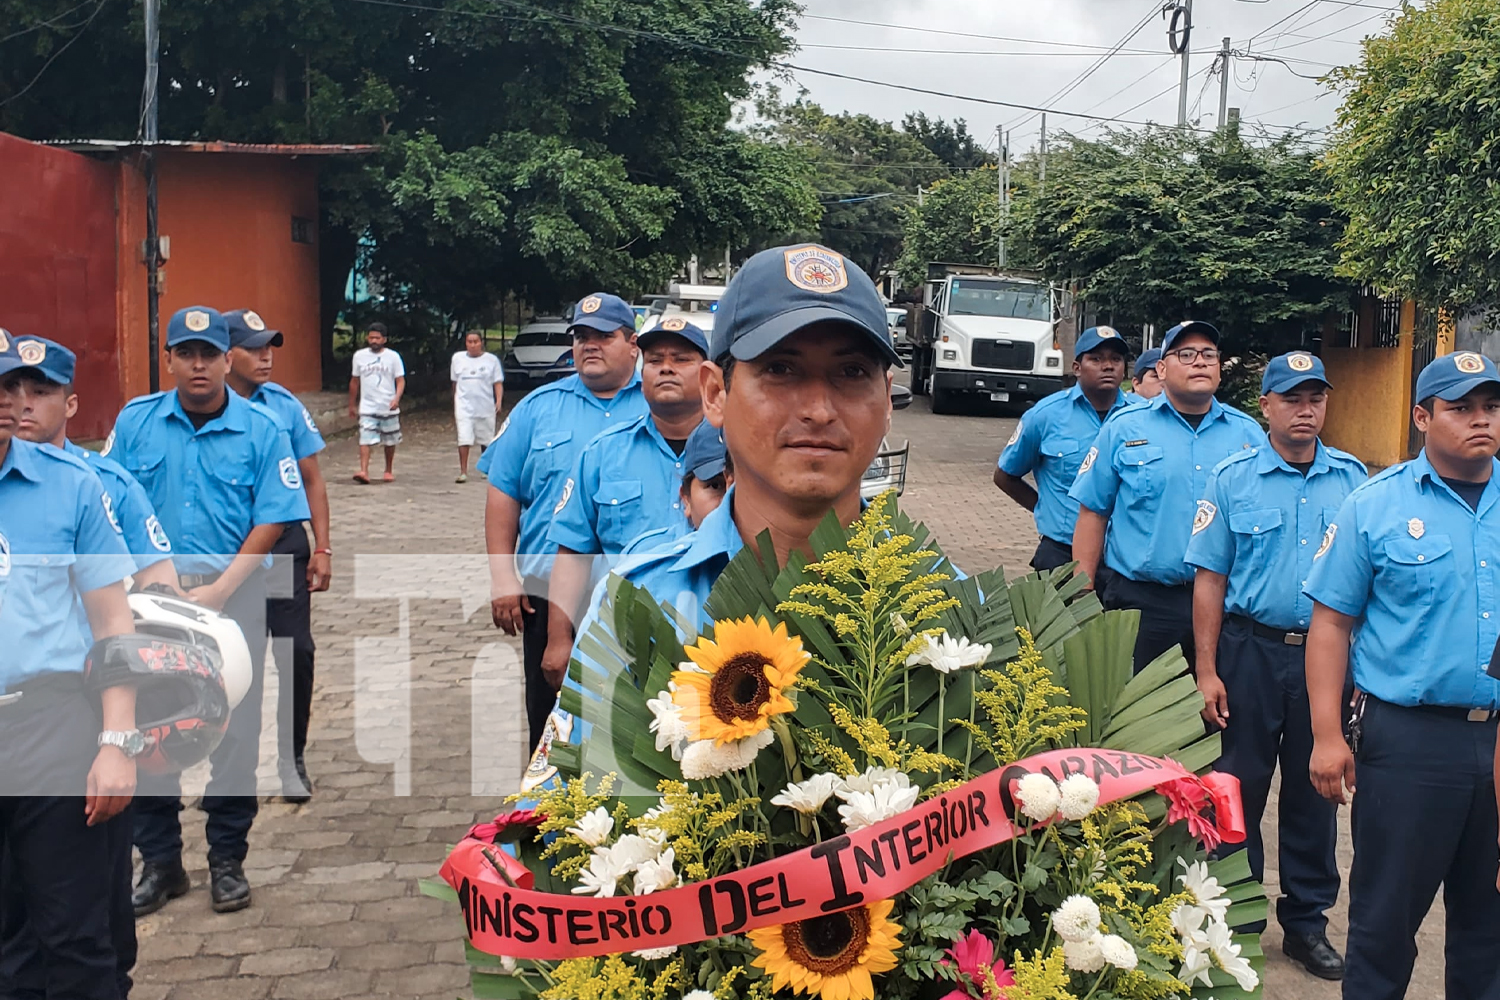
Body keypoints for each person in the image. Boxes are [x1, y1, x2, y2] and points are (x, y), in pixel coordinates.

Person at [522, 242, 901, 790]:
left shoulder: (954, 607)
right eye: (780, 369)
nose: (819, 409)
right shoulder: (634, 599)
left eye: (851, 371)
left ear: (887, 400)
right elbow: (557, 822)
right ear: (716, 394)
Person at [1304, 350, 1500, 1000]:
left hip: (1498, 744)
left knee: (1489, 928)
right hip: (1409, 744)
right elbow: (1330, 625)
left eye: (1492, 407)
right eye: (1461, 407)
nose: (1481, 420)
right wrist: (1327, 736)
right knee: (1386, 927)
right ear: (1422, 416)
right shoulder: (1375, 505)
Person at [107, 306, 309, 915]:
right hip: (152, 602)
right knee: (148, 727)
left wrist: (221, 589)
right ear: (168, 359)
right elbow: (108, 499)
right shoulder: (136, 422)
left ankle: (227, 858)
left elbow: (275, 515)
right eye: (185, 353)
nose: (198, 364)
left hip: (232, 597)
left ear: (227, 359)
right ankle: (161, 861)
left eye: (209, 353)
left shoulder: (262, 427)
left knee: (235, 729)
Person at [0, 335, 176, 999]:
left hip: (53, 720)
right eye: (9, 388)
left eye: (25, 389)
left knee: (75, 934)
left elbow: (122, 617)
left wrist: (119, 738)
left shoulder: (80, 488)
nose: (16, 404)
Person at [1183, 352, 1366, 981]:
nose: (1306, 409)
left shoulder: (1352, 480)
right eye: (1292, 398)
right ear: (1265, 405)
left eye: (1316, 397)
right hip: (1250, 653)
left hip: (1325, 658)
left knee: (1317, 791)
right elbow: (1209, 580)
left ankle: (1308, 925)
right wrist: (1207, 669)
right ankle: (1239, 919)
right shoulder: (1232, 478)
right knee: (1239, 787)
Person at [479, 293, 647, 752]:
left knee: (640, 731)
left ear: (632, 344)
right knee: (553, 730)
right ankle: (547, 819)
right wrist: (501, 578)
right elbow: (503, 494)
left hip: (637, 599)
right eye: (581, 337)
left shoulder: (660, 405)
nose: (589, 346)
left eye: (603, 337)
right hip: (546, 600)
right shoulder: (537, 407)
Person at [1069, 320, 1265, 672]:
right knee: (1139, 717)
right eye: (1186, 354)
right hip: (1144, 604)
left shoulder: (1248, 435)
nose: (1200, 362)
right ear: (1161, 368)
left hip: (1227, 604)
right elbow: (1093, 513)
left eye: (1209, 354)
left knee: (1217, 716)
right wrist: (1082, 595)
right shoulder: (1124, 428)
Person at [542, 318, 710, 691]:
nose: (665, 367)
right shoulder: (603, 453)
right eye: (654, 360)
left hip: (719, 641)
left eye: (681, 359)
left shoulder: (740, 452)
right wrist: (558, 638)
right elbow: (572, 551)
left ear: (709, 377)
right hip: (617, 647)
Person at [224, 308, 332, 804]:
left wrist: (323, 545)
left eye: (270, 346)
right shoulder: (204, 409)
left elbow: (311, 478)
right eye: (254, 347)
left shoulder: (283, 405)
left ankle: (291, 759)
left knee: (297, 653)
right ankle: (226, 766)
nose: (266, 356)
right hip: (226, 551)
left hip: (285, 547)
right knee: (231, 662)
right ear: (227, 355)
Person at [995, 326, 1132, 572]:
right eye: (1096, 359)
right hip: (1062, 553)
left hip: (1124, 557)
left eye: (1116, 359)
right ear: (1077, 368)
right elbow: (1005, 475)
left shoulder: (1142, 417)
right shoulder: (1044, 416)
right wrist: (1045, 507)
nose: (1108, 366)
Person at [619, 420, 734, 557]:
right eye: (715, 486)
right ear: (686, 499)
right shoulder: (639, 558)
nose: (730, 499)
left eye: (742, 486)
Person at [348, 322, 405, 484]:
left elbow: (400, 381)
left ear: (384, 339)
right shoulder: (359, 356)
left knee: (390, 440)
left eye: (377, 338)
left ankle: (388, 470)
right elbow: (354, 381)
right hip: (367, 406)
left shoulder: (393, 357)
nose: (374, 340)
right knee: (365, 438)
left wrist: (396, 398)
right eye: (371, 337)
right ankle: (364, 470)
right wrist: (352, 404)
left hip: (388, 406)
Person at [451, 330, 504, 483]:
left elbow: (497, 383)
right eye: (469, 342)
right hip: (464, 406)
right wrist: (456, 400)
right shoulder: (457, 359)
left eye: (476, 342)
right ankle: (463, 471)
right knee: (464, 438)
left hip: (485, 405)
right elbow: (455, 382)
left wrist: (498, 400)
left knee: (486, 438)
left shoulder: (491, 360)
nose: (473, 345)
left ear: (481, 343)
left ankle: (485, 468)